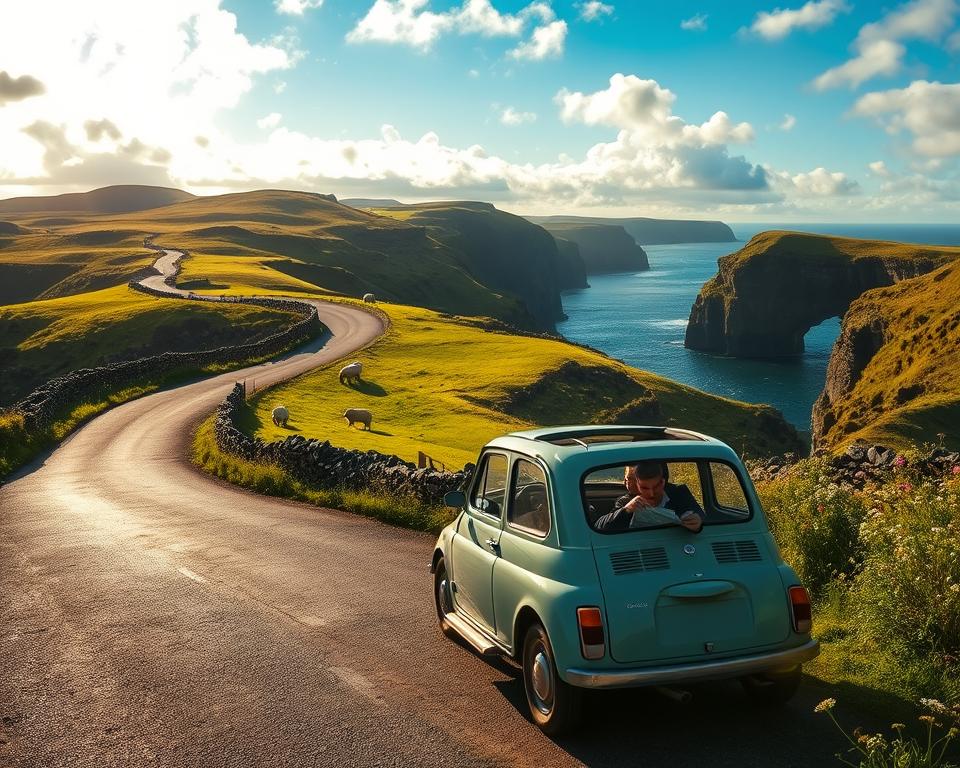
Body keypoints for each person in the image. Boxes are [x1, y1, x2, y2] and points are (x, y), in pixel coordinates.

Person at [594, 460, 704, 533]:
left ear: (663, 482)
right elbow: (600, 526)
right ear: (637, 485)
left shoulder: (679, 494)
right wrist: (627, 510)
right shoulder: (626, 502)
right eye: (645, 488)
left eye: (656, 486)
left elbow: (705, 519)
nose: (651, 493)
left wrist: (698, 523)